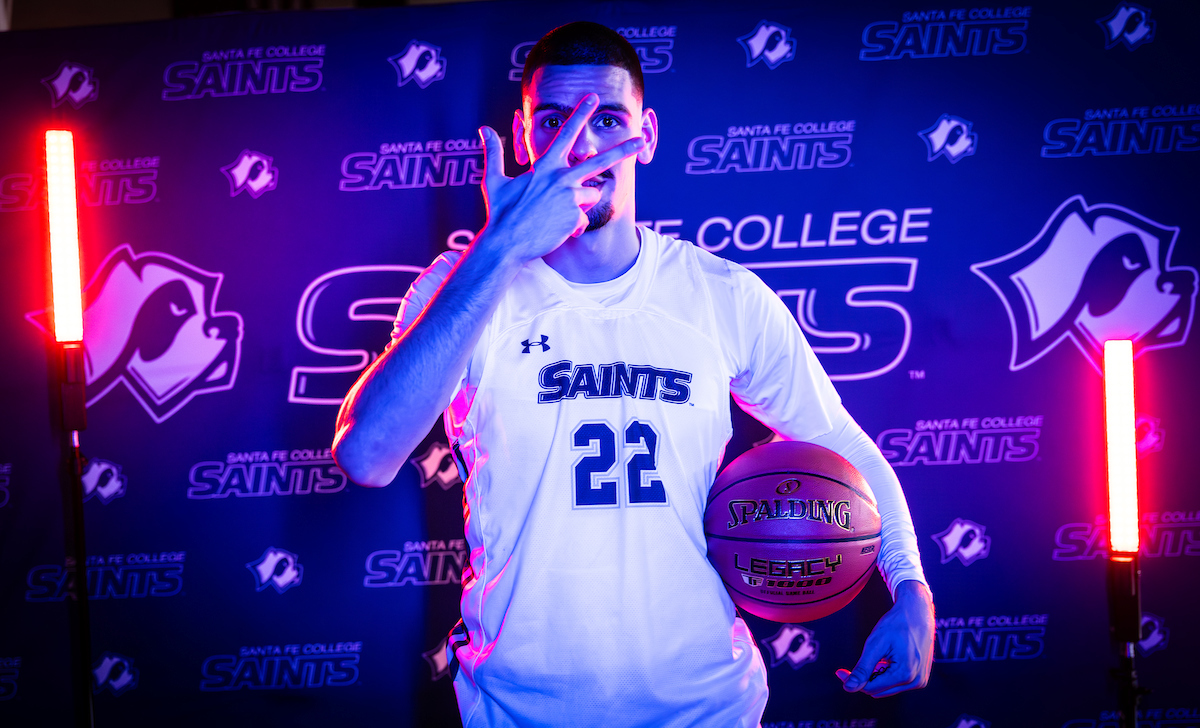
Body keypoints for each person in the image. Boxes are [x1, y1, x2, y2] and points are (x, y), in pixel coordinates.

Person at [334, 21, 935, 728]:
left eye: (607, 119)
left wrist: (912, 588)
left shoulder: (721, 295)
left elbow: (842, 442)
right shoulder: (461, 289)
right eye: (555, 121)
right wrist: (500, 250)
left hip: (706, 707)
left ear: (646, 135)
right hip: (521, 711)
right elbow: (368, 455)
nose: (582, 144)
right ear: (525, 138)